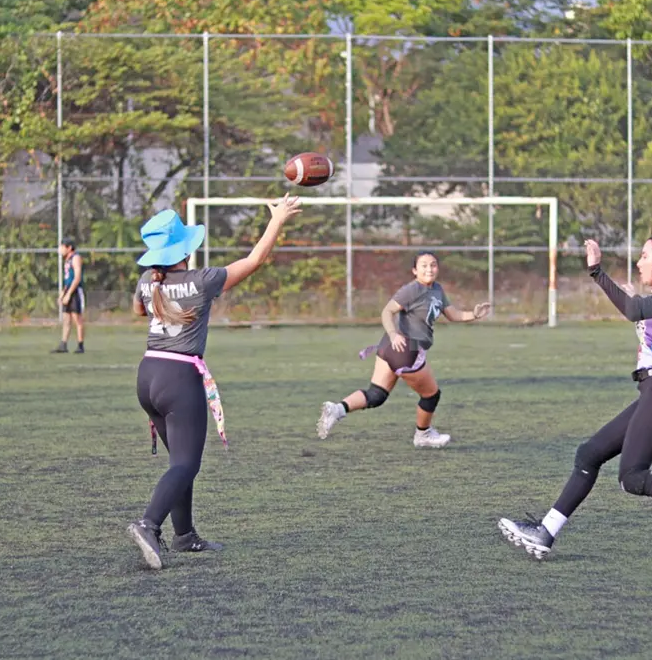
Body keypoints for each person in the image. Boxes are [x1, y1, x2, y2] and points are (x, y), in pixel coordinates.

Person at [498, 234, 652, 560]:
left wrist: (597, 271)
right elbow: (640, 310)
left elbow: (632, 310)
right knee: (588, 455)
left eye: (644, 256)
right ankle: (545, 532)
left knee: (633, 477)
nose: (638, 262)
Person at [127, 195, 302, 570]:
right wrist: (278, 219)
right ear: (185, 248)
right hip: (179, 377)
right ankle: (148, 524)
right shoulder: (201, 280)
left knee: (179, 461)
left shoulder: (146, 278)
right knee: (187, 464)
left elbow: (139, 309)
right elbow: (254, 261)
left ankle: (184, 535)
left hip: (148, 373)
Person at [316, 251, 491, 448]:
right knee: (431, 395)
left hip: (390, 348)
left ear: (438, 268)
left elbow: (454, 315)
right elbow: (387, 311)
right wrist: (393, 333)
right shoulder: (412, 290)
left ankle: (337, 409)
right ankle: (423, 435)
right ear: (414, 270)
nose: (429, 269)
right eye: (423, 265)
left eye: (433, 265)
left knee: (377, 395)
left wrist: (474, 314)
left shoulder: (438, 290)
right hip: (405, 348)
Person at [52, 238, 85, 354]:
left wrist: (69, 294)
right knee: (66, 319)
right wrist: (63, 294)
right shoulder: (67, 260)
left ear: (69, 247)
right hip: (69, 290)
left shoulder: (75, 258)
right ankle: (63, 345)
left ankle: (80, 345)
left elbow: (77, 278)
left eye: (62, 246)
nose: (60, 249)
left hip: (75, 291)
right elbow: (68, 279)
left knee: (77, 319)